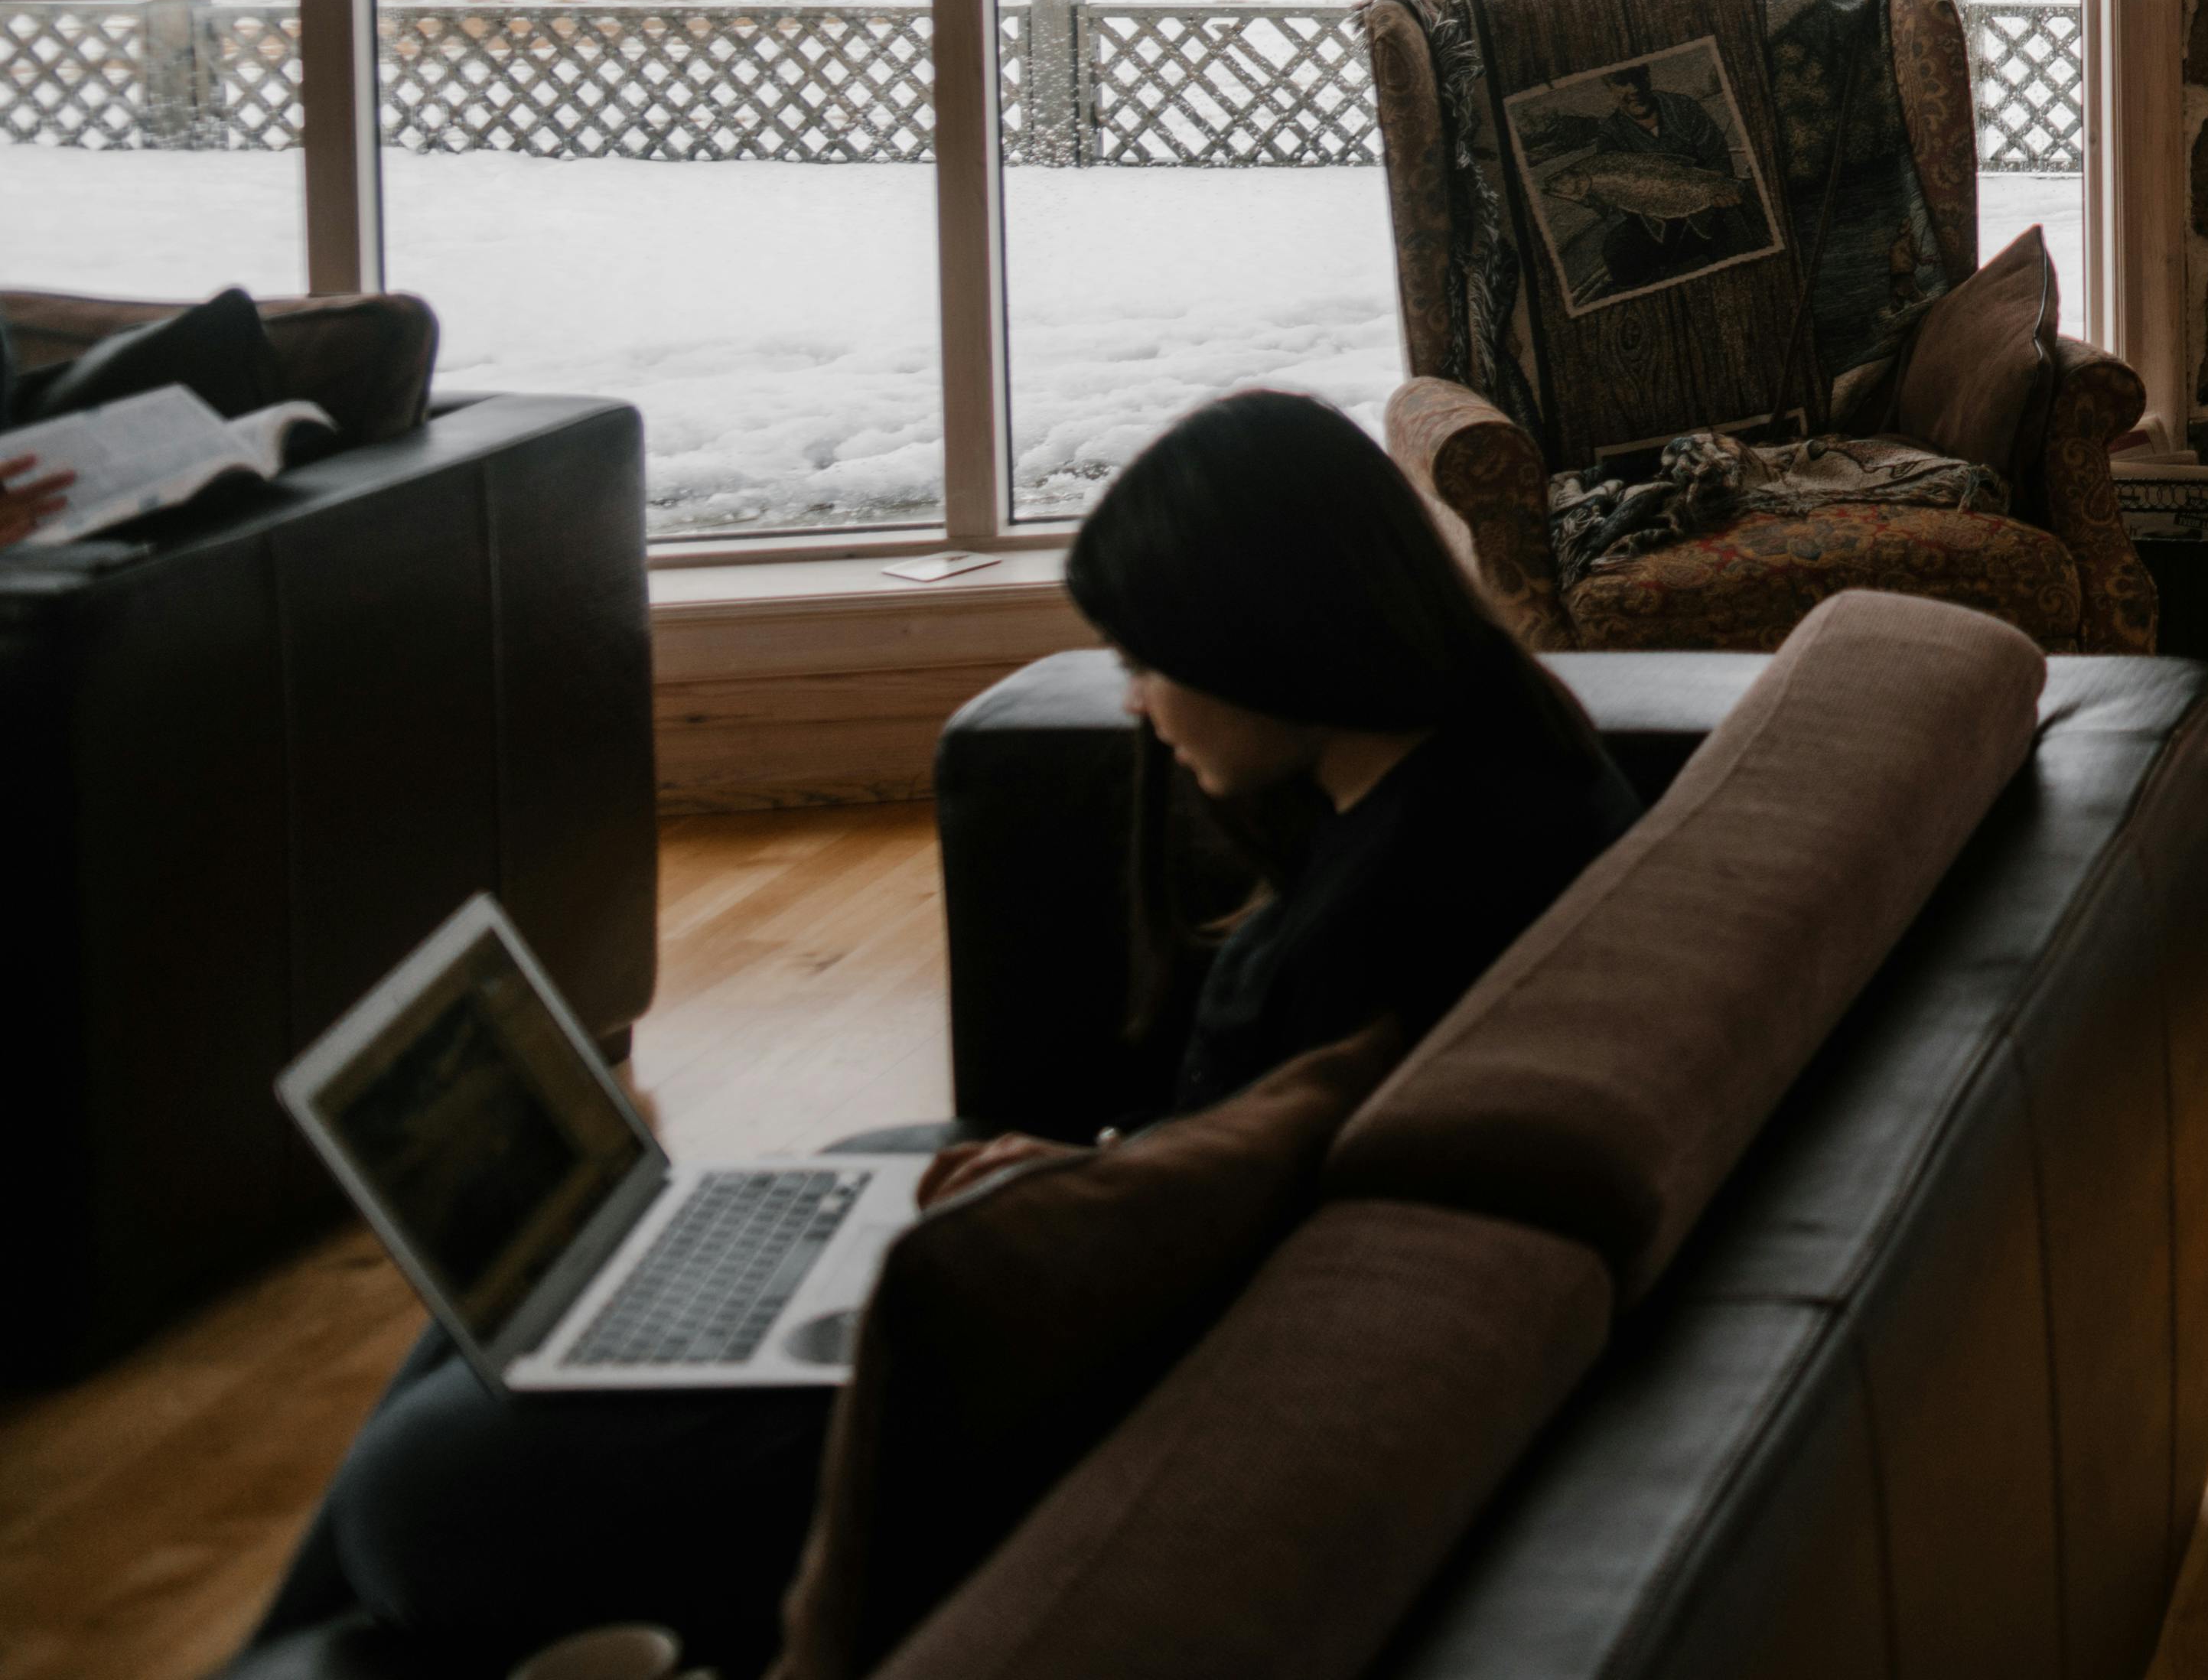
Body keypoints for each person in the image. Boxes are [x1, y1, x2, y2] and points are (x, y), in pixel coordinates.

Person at [263, 391, 1643, 1676]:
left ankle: (302, 1649)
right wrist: (1090, 1166)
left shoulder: (1392, 913)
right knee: (554, 1276)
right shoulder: (1505, 757)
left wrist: (1079, 1197)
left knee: (414, 1487)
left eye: (1146, 658)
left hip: (1040, 1380)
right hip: (1094, 1260)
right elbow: (1248, 1155)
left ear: (1260, 637)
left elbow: (1237, 1258)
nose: (1134, 703)